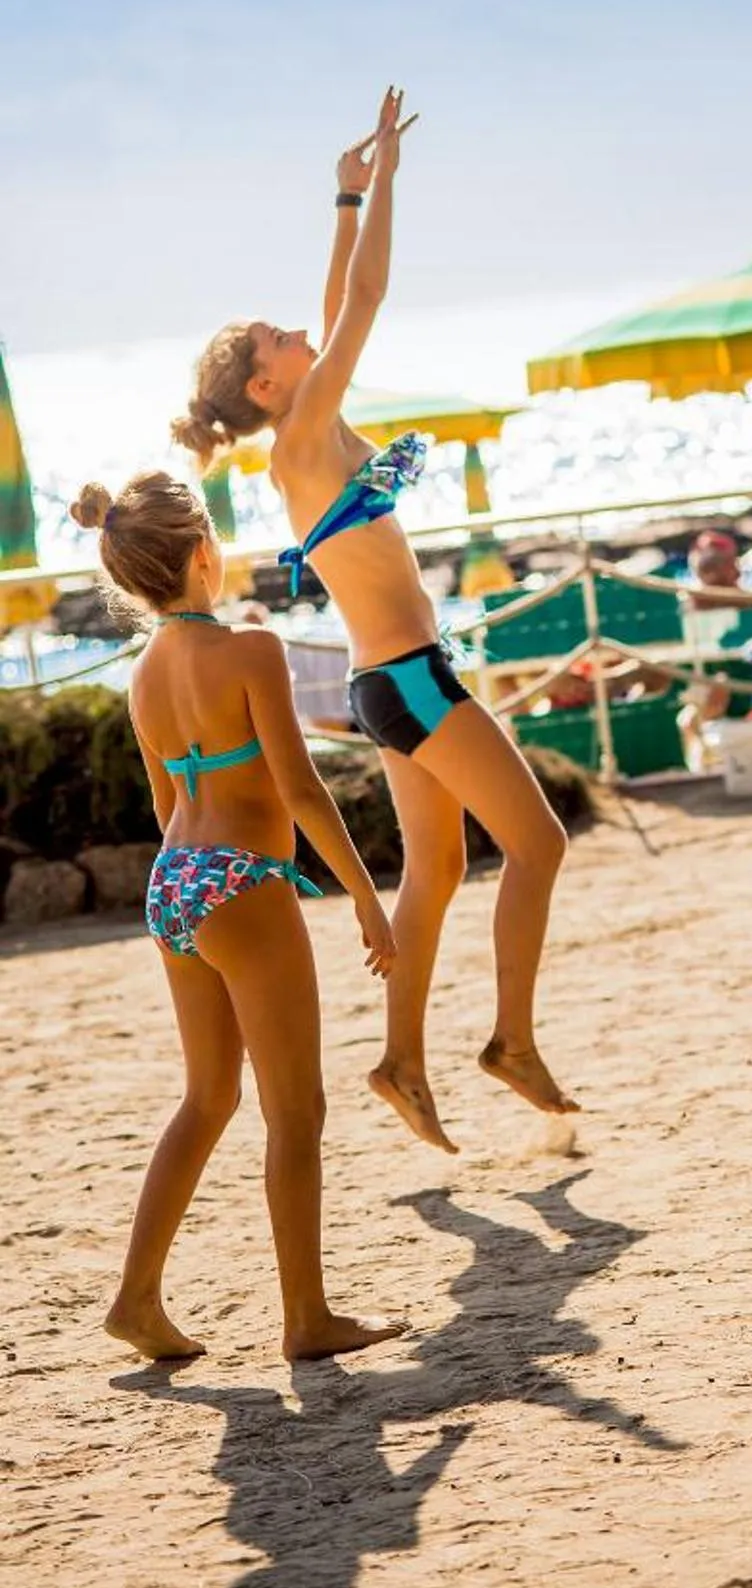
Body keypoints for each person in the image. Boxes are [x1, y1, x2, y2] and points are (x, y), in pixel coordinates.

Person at [172, 89, 576, 1155]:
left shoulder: (313, 426)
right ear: (268, 380)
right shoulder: (301, 437)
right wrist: (383, 178)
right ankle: (513, 1042)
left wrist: (346, 195)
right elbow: (367, 295)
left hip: (387, 679)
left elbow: (338, 291)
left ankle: (401, 1061)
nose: (299, 327)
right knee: (538, 847)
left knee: (437, 874)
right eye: (277, 335)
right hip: (409, 679)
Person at [78, 473, 405, 1361]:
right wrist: (367, 900)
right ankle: (307, 1318)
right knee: (295, 1108)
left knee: (207, 1097)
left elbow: (160, 802)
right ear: (201, 555)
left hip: (174, 880)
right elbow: (300, 789)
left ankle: (137, 1299)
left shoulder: (142, 673)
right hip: (243, 881)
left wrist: (200, 881)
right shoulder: (253, 650)